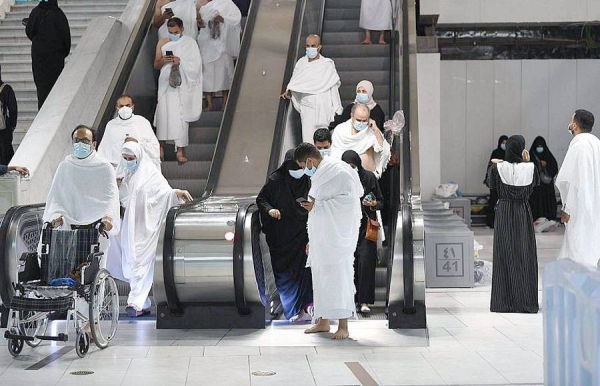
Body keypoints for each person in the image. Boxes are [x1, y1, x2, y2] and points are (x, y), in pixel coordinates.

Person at [107, 141, 192, 317]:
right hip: (126, 229)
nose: (128, 161)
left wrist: (176, 193)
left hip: (146, 227)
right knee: (132, 263)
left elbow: (163, 193)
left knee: (140, 262)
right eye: (125, 158)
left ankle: (135, 302)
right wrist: (115, 186)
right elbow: (110, 199)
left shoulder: (150, 174)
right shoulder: (119, 175)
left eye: (132, 158)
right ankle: (143, 302)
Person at [295, 143, 363, 340]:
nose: (303, 170)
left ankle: (343, 325)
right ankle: (323, 321)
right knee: (320, 276)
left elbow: (349, 201)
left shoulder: (339, 171)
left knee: (340, 275)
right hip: (321, 235)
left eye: (303, 165)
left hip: (339, 235)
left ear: (310, 160)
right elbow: (316, 204)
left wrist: (318, 205)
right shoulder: (320, 174)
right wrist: (312, 237)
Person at [256, 149, 313, 322]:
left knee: (305, 274)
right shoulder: (276, 180)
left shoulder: (309, 180)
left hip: (302, 235)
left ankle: (307, 307)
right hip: (280, 239)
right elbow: (262, 199)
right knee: (285, 277)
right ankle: (292, 310)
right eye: (294, 166)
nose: (298, 170)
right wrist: (270, 209)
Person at [485, 135, 539, 313]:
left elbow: (490, 184)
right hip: (523, 211)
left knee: (503, 253)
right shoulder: (531, 168)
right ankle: (525, 301)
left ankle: (503, 302)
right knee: (524, 253)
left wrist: (498, 163)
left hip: (504, 211)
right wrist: (526, 162)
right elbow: (534, 187)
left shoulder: (496, 168)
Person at [43, 125, 120, 236]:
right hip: (67, 228)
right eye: (77, 140)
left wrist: (109, 216)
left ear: (94, 144)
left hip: (97, 229)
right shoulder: (65, 166)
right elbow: (56, 198)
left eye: (85, 141)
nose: (80, 144)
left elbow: (111, 197)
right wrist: (55, 216)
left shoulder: (104, 167)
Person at [153, 18, 203, 164]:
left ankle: (180, 150)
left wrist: (180, 62)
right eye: (170, 32)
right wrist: (164, 60)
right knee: (163, 113)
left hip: (183, 83)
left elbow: (196, 64)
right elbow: (156, 64)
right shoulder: (162, 42)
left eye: (176, 32)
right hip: (165, 82)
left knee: (180, 115)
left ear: (182, 29)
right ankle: (160, 147)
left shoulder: (190, 43)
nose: (173, 34)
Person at [556, 109, 600, 268]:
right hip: (594, 204)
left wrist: (567, 207)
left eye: (571, 119)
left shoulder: (579, 145)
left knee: (578, 245)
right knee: (591, 242)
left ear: (574, 125)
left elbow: (572, 180)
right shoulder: (595, 142)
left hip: (580, 206)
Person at [341, 150, 383, 314]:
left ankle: (364, 301)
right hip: (346, 228)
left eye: (353, 166)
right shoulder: (340, 180)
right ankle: (349, 300)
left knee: (366, 262)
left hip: (365, 228)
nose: (350, 170)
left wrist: (373, 204)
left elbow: (381, 202)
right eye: (347, 167)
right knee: (348, 264)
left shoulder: (369, 178)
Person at [281, 35, 342, 143]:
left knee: (322, 140)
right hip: (307, 108)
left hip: (322, 106)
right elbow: (295, 82)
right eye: (308, 46)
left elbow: (332, 85)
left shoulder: (327, 64)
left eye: (313, 46)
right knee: (308, 140)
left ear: (319, 47)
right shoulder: (301, 63)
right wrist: (288, 90)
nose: (310, 48)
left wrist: (336, 106)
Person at [197, 0, 242, 111]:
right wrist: (200, 22)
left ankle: (225, 104)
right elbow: (201, 24)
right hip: (207, 44)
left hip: (223, 44)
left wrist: (223, 19)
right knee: (207, 74)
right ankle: (209, 104)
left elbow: (236, 19)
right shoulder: (203, 6)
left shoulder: (228, 3)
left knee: (225, 75)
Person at [26, 0, 71, 109]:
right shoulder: (59, 14)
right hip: (55, 60)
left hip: (39, 59)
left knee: (42, 90)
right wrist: (60, 53)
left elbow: (29, 31)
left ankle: (42, 117)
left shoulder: (36, 12)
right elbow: (66, 39)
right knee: (55, 89)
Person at [98, 95, 160, 171]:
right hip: (118, 170)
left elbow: (155, 149)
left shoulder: (142, 122)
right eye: (121, 106)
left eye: (128, 105)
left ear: (133, 107)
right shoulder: (111, 125)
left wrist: (137, 143)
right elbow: (103, 151)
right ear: (117, 108)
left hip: (140, 168)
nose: (124, 109)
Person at [330, 103, 391, 178]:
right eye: (358, 120)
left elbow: (382, 149)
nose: (361, 123)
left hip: (368, 179)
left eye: (364, 120)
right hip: (345, 178)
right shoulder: (340, 131)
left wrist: (376, 129)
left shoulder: (372, 132)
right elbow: (335, 154)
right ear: (352, 116)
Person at [528, 136, 558, 223]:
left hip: (546, 187)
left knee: (547, 202)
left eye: (541, 146)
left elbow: (554, 169)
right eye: (538, 146)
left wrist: (546, 165)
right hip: (535, 187)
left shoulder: (549, 156)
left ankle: (548, 219)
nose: (539, 148)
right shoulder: (531, 157)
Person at [484, 135, 508, 228]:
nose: (504, 145)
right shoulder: (495, 153)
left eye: (506, 143)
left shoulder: (510, 154)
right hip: (496, 183)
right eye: (503, 143)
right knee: (494, 202)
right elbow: (491, 166)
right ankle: (492, 222)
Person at [0, 67, 18, 165]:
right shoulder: (6, 89)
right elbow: (13, 109)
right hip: (4, 126)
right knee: (6, 151)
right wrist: (12, 125)